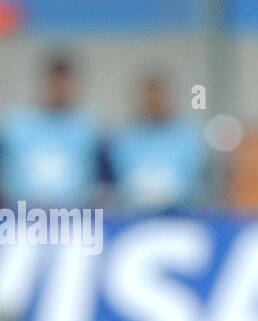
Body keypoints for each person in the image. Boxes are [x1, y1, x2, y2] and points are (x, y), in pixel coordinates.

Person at [1, 52, 106, 206]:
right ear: (44, 84)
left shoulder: (89, 128)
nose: (59, 90)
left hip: (76, 220)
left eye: (64, 84)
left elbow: (104, 180)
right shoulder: (16, 126)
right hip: (20, 219)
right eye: (54, 83)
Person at [107, 71, 209, 211]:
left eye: (158, 96)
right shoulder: (124, 139)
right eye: (149, 96)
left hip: (180, 214)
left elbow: (196, 182)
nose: (153, 102)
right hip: (133, 216)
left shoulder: (188, 137)